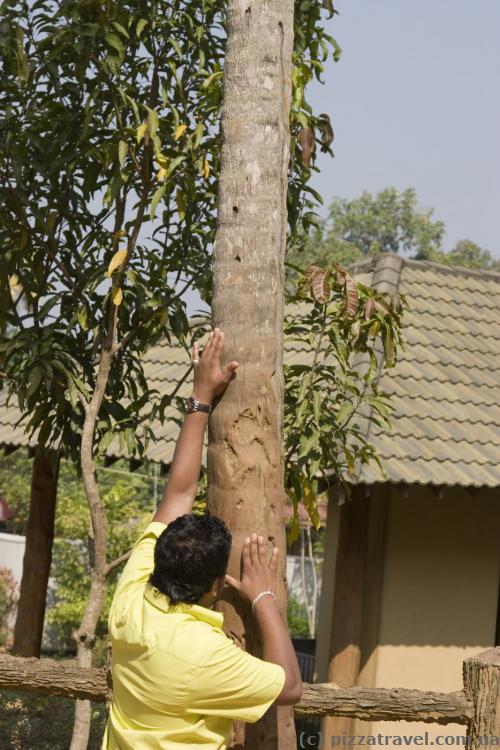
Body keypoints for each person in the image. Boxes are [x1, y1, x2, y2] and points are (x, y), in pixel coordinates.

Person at [102, 327, 303, 749]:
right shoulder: (203, 653)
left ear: (159, 558)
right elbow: (288, 687)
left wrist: (201, 397)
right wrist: (264, 597)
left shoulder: (133, 597)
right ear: (216, 586)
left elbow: (178, 493)